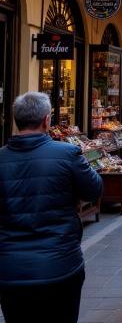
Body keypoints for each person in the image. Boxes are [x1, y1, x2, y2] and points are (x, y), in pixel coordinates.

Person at [0, 92, 102, 323]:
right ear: (47, 120)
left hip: (10, 269)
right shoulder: (66, 154)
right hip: (60, 264)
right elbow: (94, 190)